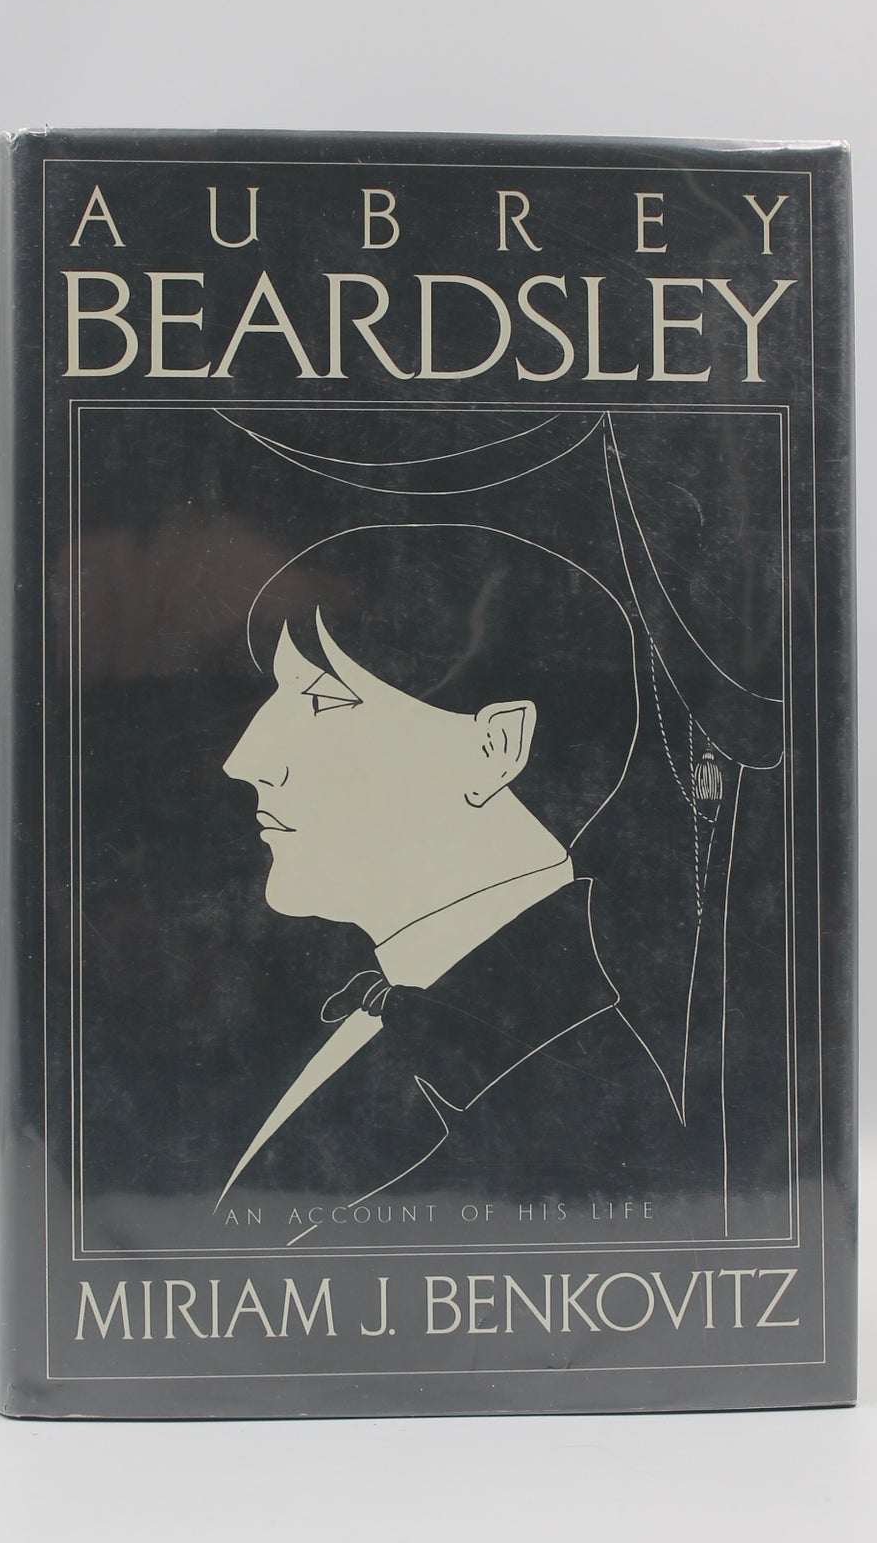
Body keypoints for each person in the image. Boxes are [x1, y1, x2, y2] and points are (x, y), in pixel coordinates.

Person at [217, 522, 723, 1237]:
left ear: (495, 747)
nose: (244, 759)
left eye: (325, 699)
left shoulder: (570, 1092)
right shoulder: (391, 1009)